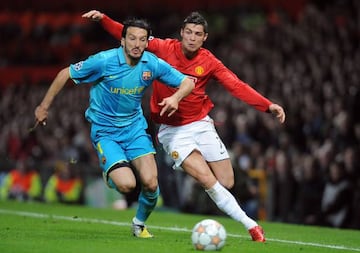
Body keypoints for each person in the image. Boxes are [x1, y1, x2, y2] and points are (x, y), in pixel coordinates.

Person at [82, 10, 286, 242]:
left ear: (204, 38)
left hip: (201, 124)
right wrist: (104, 21)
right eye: (188, 32)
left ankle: (190, 167)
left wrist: (267, 105)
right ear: (181, 33)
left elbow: (236, 85)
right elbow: (129, 34)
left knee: (226, 181)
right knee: (208, 180)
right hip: (173, 132)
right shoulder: (163, 47)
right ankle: (252, 226)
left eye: (197, 34)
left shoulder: (210, 62)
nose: (191, 37)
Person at [34, 17, 194, 238]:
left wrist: (176, 97)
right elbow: (65, 73)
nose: (137, 44)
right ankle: (109, 172)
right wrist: (43, 107)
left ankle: (139, 224)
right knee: (127, 185)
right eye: (132, 38)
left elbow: (188, 82)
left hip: (135, 129)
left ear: (147, 42)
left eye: (142, 39)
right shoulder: (103, 61)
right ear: (122, 40)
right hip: (106, 132)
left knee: (150, 182)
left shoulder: (152, 63)